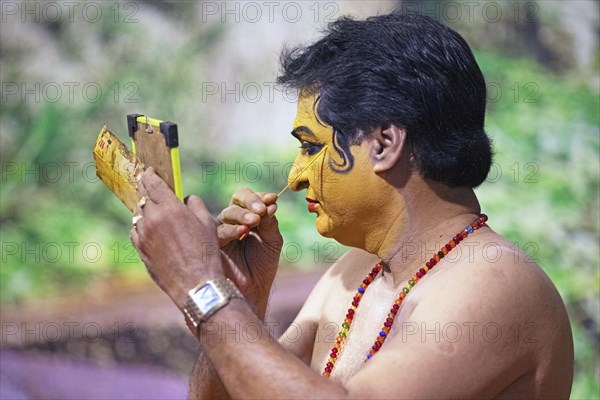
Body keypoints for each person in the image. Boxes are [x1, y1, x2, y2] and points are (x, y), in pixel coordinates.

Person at [130, 12, 574, 399]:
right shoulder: (352, 273)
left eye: (310, 146)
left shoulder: (494, 282)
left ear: (384, 143)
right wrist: (241, 297)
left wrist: (200, 284)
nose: (294, 175)